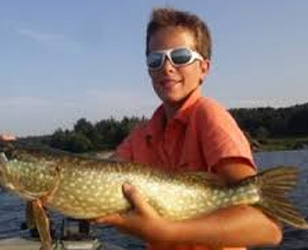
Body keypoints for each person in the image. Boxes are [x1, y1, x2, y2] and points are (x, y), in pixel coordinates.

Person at [93, 8, 283, 250]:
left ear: (204, 68)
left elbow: (267, 227)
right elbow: (101, 184)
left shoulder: (209, 116)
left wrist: (167, 233)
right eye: (155, 59)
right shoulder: (142, 134)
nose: (167, 67)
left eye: (180, 56)